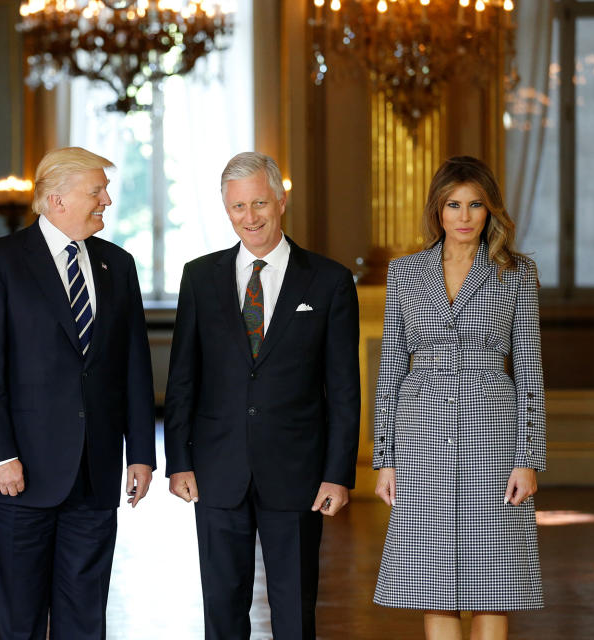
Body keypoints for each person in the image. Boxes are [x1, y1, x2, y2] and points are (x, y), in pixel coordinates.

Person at [0, 146, 156, 639]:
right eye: (97, 190)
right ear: (55, 199)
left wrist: (142, 454)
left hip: (95, 473)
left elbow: (133, 366)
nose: (107, 200)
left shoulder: (119, 264)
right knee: (17, 619)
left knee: (85, 619)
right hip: (17, 475)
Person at [164, 151, 360, 640]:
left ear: (281, 200)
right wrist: (179, 461)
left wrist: (338, 474)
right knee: (222, 613)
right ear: (225, 208)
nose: (249, 218)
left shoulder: (329, 280)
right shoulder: (200, 277)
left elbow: (342, 387)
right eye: (237, 207)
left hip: (297, 473)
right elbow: (183, 379)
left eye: (259, 204)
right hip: (215, 470)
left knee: (295, 613)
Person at [372, 156, 545, 639]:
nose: (464, 216)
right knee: (431, 576)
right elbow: (390, 371)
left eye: (475, 205)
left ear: (490, 212)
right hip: (421, 432)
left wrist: (527, 459)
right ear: (438, 210)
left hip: (493, 430)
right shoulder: (405, 273)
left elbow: (529, 371)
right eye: (454, 205)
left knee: (495, 575)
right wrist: (385, 459)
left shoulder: (516, 273)